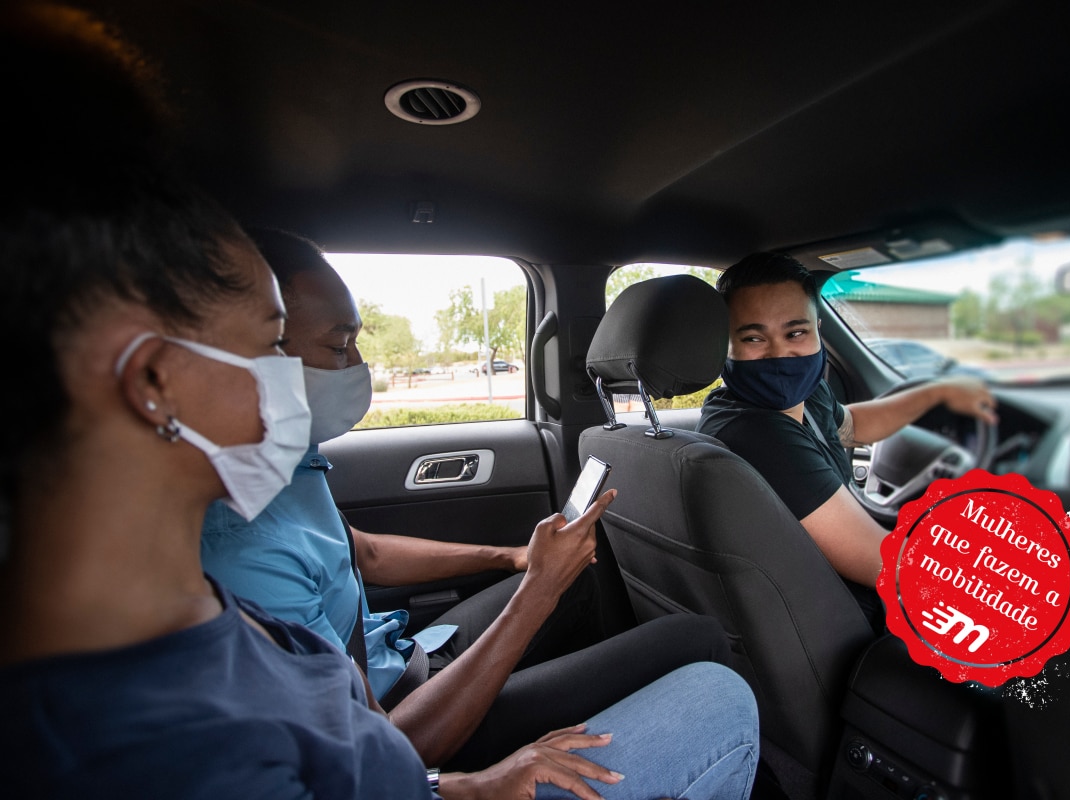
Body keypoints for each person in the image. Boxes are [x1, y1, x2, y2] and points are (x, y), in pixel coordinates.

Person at [0, 5, 762, 797]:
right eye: (270, 345)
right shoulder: (160, 729)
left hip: (410, 723)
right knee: (718, 690)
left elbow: (359, 717)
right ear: (156, 382)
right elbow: (379, 745)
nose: (302, 380)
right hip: (417, 724)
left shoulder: (216, 607)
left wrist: (467, 779)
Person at [202, 227, 743, 771]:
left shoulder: (288, 461)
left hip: (400, 659)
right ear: (248, 355)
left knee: (579, 581)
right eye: (339, 347)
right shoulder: (243, 552)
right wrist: (538, 588)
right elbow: (385, 755)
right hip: (411, 724)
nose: (360, 364)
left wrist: (512, 558)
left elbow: (363, 553)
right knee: (695, 639)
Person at [697, 251, 998, 630]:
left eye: (796, 333)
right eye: (754, 338)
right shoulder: (755, 435)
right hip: (848, 624)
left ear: (818, 329)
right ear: (725, 345)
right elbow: (888, 565)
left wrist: (937, 393)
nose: (780, 354)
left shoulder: (804, 396)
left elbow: (850, 426)